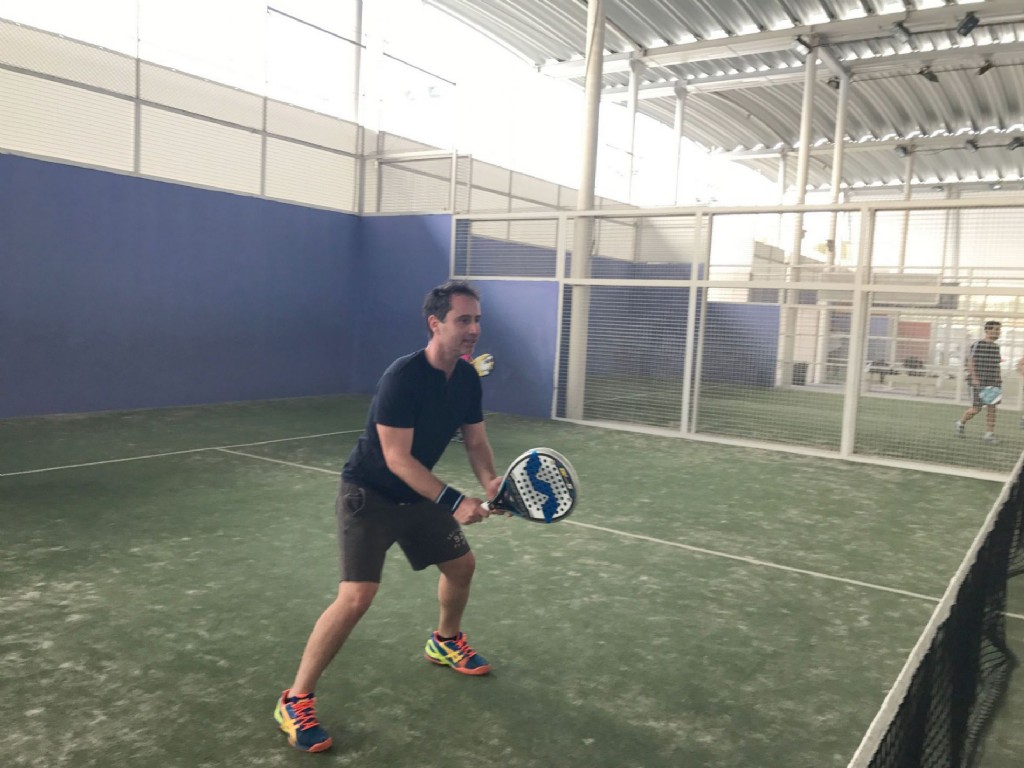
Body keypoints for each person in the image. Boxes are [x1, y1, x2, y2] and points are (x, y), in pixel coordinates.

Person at [273, 280, 503, 752]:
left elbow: (476, 440)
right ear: (435, 323)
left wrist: (490, 482)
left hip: (417, 496)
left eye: (477, 320)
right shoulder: (403, 377)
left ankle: (445, 640)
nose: (474, 329)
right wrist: (455, 501)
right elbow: (397, 458)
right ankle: (295, 700)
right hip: (370, 494)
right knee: (356, 597)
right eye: (463, 320)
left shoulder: (466, 378)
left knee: (461, 566)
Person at [955, 320, 1003, 444]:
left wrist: (998, 380)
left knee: (992, 408)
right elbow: (970, 361)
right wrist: (975, 378)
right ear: (987, 330)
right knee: (976, 409)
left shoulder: (996, 347)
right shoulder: (978, 344)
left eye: (999, 330)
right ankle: (960, 423)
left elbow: (997, 365)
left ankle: (989, 435)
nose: (998, 332)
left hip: (993, 382)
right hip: (978, 382)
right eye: (996, 329)